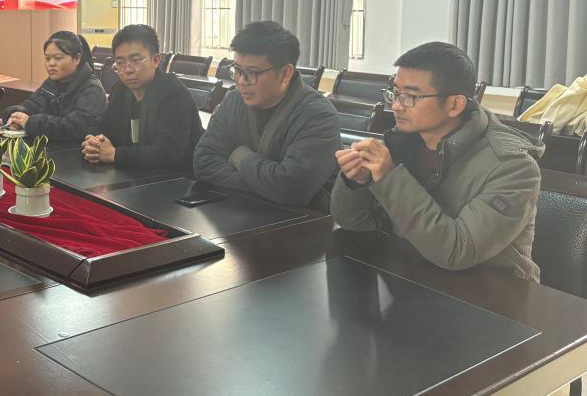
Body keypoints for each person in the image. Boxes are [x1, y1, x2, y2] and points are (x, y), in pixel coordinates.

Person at [331, 42, 542, 280]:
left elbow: (457, 252)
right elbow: (354, 224)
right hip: (412, 277)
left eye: (411, 96)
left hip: (491, 292)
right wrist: (357, 183)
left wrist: (390, 177)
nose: (397, 106)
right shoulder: (405, 141)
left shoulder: (514, 167)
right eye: (395, 93)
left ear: (455, 104)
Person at [193, 21, 339, 206]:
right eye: (237, 70)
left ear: (286, 73)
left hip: (300, 219)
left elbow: (290, 189)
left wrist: (240, 156)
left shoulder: (318, 116)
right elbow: (203, 163)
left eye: (252, 73)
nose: (241, 81)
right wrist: (267, 186)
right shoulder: (234, 100)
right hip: (239, 208)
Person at [82, 24, 202, 174]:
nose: (127, 70)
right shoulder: (120, 90)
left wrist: (114, 154)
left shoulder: (173, 94)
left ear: (155, 60)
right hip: (132, 175)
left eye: (136, 60)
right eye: (120, 63)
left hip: (175, 179)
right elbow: (99, 125)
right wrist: (93, 143)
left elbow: (168, 153)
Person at [1, 31, 106, 145]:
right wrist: (15, 116)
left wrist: (30, 123)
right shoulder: (53, 82)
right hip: (53, 148)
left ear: (77, 59)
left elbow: (73, 127)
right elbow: (33, 104)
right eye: (47, 58)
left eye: (58, 58)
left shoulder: (92, 89)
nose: (51, 63)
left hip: (76, 151)